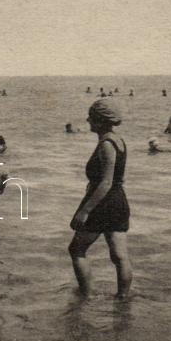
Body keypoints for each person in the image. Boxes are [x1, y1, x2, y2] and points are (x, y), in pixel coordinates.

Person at [68, 99, 132, 299]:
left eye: (91, 117)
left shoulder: (106, 144)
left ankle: (86, 297)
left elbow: (105, 182)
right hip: (118, 201)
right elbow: (117, 178)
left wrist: (84, 211)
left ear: (101, 120)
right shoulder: (118, 141)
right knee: (120, 256)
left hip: (103, 203)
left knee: (76, 250)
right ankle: (123, 299)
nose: (88, 120)